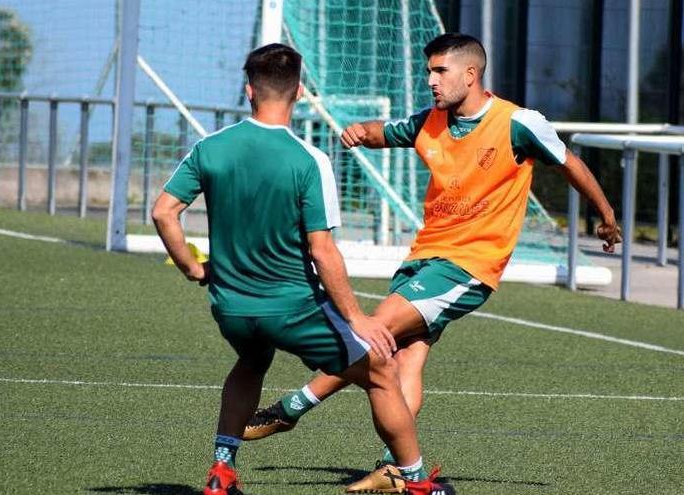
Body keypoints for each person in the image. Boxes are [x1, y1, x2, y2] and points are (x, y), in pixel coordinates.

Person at [243, 33, 622, 492]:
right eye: (429, 71)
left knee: (372, 332)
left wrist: (606, 215)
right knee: (404, 361)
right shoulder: (432, 122)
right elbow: (390, 132)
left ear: (471, 74)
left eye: (440, 71)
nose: (430, 80)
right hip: (423, 257)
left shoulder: (518, 123)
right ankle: (397, 469)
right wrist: (361, 132)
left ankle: (289, 411)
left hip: (467, 266)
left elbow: (569, 164)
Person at [152, 43, 455, 495]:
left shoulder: (210, 148)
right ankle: (415, 483)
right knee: (383, 369)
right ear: (298, 93)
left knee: (251, 361)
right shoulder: (309, 160)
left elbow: (163, 212)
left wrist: (192, 269)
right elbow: (323, 250)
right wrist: (358, 318)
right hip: (293, 309)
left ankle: (221, 471)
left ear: (249, 90)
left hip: (231, 306)